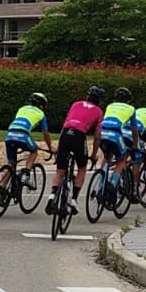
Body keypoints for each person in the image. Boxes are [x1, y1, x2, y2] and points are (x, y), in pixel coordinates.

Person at [46, 86, 105, 215]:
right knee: (82, 168)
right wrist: (94, 154)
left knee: (60, 171)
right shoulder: (99, 112)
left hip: (66, 134)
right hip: (79, 136)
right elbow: (97, 135)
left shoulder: (76, 104)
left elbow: (65, 123)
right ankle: (73, 199)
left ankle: (52, 195)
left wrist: (59, 147)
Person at [0, 92, 53, 200]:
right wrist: (50, 146)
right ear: (42, 105)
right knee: (34, 150)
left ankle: (1, 187)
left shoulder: (22, 108)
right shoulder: (41, 114)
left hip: (9, 134)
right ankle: (26, 174)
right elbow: (45, 133)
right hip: (23, 134)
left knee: (11, 164)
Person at [99, 88, 139, 195]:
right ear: (128, 100)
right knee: (122, 160)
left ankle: (100, 186)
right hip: (115, 134)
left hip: (102, 133)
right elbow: (134, 130)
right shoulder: (131, 109)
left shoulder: (110, 106)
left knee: (107, 157)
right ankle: (113, 183)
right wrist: (135, 145)